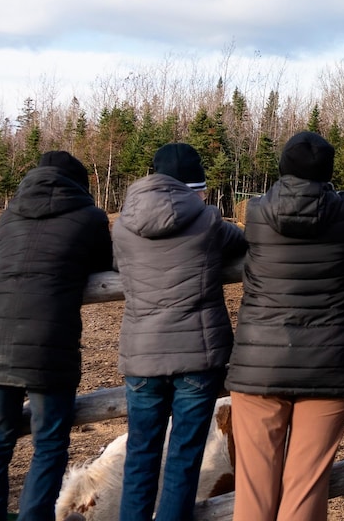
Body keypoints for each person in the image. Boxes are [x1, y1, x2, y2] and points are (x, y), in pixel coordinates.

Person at [225, 132, 344, 521]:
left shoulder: (255, 212)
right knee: (306, 488)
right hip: (329, 362)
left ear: (283, 167)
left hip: (259, 363)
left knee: (253, 490)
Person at [114, 143, 246, 521]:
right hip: (198, 355)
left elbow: (115, 263)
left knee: (141, 455)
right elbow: (242, 244)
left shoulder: (123, 225)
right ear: (195, 186)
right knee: (184, 459)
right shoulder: (209, 222)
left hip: (142, 355)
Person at [0, 151, 112, 521]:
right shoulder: (90, 217)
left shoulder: (8, 216)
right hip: (48, 344)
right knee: (50, 443)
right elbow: (103, 265)